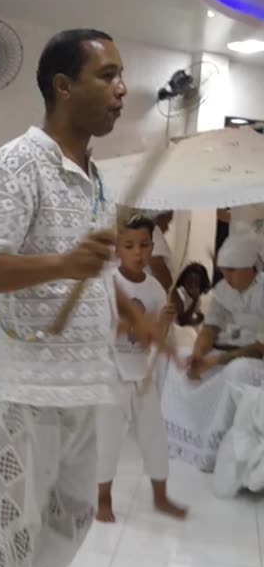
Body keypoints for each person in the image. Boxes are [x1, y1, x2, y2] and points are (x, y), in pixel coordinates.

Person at [0, 28, 173, 567]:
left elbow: (96, 272)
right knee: (14, 527)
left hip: (87, 377)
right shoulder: (18, 163)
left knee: (75, 516)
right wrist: (59, 263)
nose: (122, 90)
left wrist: (134, 316)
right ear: (62, 85)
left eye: (122, 75)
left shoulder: (97, 175)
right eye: (107, 75)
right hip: (27, 380)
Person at [97, 215, 186, 522]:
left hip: (141, 373)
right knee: (108, 438)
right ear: (117, 249)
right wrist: (132, 325)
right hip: (111, 374)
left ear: (152, 248)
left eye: (145, 245)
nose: (138, 253)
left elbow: (154, 339)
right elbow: (100, 329)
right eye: (129, 245)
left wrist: (164, 321)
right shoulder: (108, 284)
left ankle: (161, 497)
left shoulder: (155, 288)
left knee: (154, 434)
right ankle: (103, 498)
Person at [162, 227, 264, 471]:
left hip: (253, 358)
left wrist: (215, 361)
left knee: (238, 371)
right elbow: (210, 328)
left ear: (250, 267)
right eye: (223, 270)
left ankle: (215, 447)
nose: (226, 276)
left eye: (232, 270)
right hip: (224, 352)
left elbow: (260, 346)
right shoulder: (223, 291)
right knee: (181, 359)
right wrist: (198, 355)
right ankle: (181, 440)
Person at [174, 262, 210, 327]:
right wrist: (195, 300)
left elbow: (192, 318)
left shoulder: (196, 297)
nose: (192, 285)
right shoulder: (179, 293)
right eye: (189, 281)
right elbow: (182, 321)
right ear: (184, 280)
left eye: (196, 283)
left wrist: (199, 318)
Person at [148, 210, 174, 292]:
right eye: (167, 223)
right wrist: (173, 295)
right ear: (160, 218)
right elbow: (159, 269)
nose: (167, 228)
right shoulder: (153, 232)